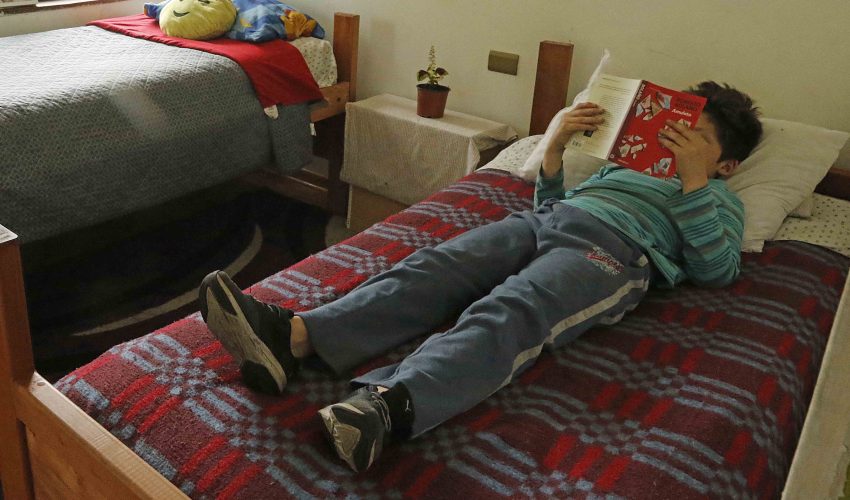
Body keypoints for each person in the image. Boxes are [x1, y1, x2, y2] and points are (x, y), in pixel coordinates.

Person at [198, 81, 763, 473]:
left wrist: (694, 183)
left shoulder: (719, 198)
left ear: (727, 164)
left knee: (516, 307)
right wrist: (555, 146)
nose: (676, 142)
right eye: (674, 129)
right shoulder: (623, 166)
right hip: (546, 219)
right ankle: (294, 338)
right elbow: (550, 200)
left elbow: (717, 271)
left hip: (612, 253)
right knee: (431, 268)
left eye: (695, 138)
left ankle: (392, 404)